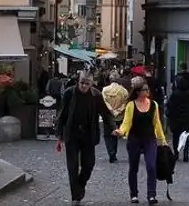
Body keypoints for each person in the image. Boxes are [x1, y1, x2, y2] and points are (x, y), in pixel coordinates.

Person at [115, 81, 168, 205]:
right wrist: (121, 131)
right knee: (133, 167)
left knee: (151, 166)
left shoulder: (154, 105)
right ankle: (134, 194)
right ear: (138, 92)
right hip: (134, 139)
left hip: (150, 139)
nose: (147, 92)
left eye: (147, 89)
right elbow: (127, 122)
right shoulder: (131, 105)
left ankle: (151, 195)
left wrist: (163, 140)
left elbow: (157, 124)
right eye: (145, 90)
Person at [54, 71, 104, 204]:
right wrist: (59, 133)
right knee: (73, 166)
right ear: (78, 81)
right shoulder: (69, 93)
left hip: (89, 135)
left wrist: (114, 128)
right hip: (72, 134)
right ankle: (75, 196)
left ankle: (80, 186)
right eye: (82, 82)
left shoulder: (96, 95)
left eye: (87, 83)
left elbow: (105, 113)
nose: (84, 86)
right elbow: (62, 113)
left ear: (92, 83)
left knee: (89, 165)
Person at [165, 74, 189, 162]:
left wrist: (168, 114)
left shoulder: (175, 94)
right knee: (185, 137)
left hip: (176, 119)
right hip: (186, 119)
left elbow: (170, 106)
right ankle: (185, 154)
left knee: (176, 137)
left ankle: (176, 153)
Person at [101, 72, 131, 163]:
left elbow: (104, 102)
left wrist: (111, 110)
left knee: (107, 135)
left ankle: (111, 153)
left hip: (108, 116)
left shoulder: (105, 90)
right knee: (116, 134)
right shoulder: (124, 91)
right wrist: (118, 111)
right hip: (119, 116)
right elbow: (125, 103)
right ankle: (114, 153)